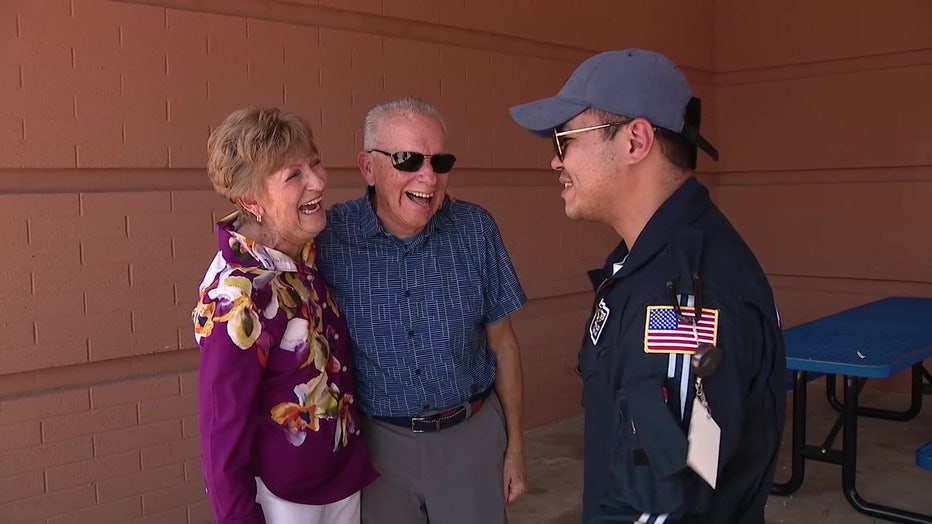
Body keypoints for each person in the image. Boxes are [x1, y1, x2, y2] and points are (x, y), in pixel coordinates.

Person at [510, 49, 786, 523]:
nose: (554, 162)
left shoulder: (683, 297)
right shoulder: (645, 263)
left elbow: (669, 498)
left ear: (636, 141)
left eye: (564, 138)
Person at [315, 96, 528, 524]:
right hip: (379, 448)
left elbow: (503, 346)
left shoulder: (475, 230)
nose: (427, 177)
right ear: (367, 167)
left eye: (440, 161)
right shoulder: (329, 237)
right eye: (408, 160)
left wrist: (516, 448)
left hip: (471, 437)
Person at [193, 107, 378, 524]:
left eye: (314, 163)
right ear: (250, 201)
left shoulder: (306, 250)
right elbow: (221, 429)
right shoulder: (239, 295)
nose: (318, 181)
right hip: (284, 501)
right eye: (293, 175)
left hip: (340, 481)